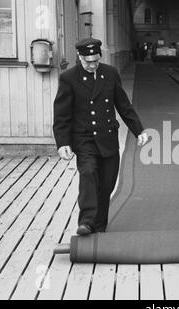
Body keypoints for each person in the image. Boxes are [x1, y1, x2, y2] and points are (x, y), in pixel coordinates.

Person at [53, 38, 149, 236]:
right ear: (79, 58)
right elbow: (62, 113)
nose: (92, 65)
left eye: (95, 60)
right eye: (87, 61)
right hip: (84, 138)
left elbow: (123, 105)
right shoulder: (69, 78)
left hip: (107, 138)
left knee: (106, 184)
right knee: (88, 173)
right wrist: (62, 142)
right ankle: (86, 222)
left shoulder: (110, 74)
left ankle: (99, 226)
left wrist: (139, 130)